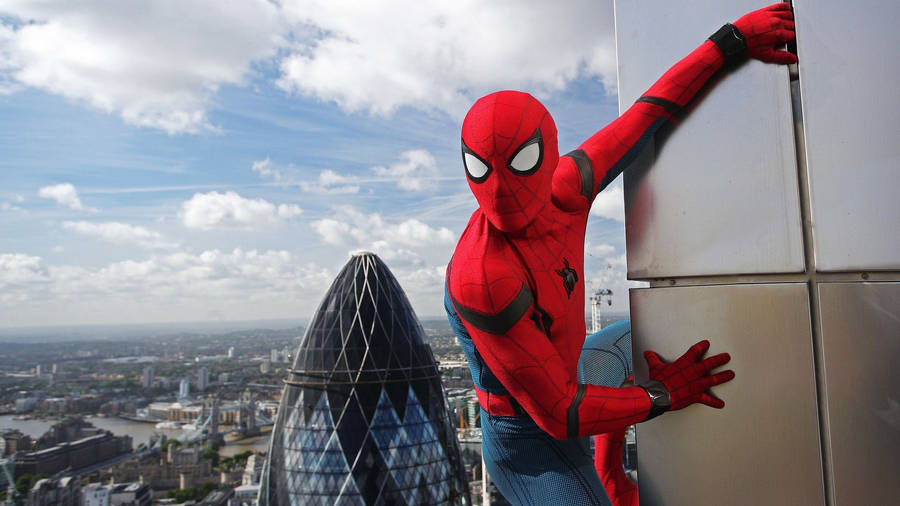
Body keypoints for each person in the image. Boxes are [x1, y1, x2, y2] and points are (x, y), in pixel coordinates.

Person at [444, 3, 797, 505]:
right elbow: (559, 413)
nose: (500, 191)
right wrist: (665, 395)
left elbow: (646, 115)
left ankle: (609, 471)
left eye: (520, 163)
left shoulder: (569, 188)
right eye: (482, 169)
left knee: (665, 325)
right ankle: (605, 475)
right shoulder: (484, 276)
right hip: (527, 441)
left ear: (549, 152)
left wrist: (732, 42)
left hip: (569, 377)